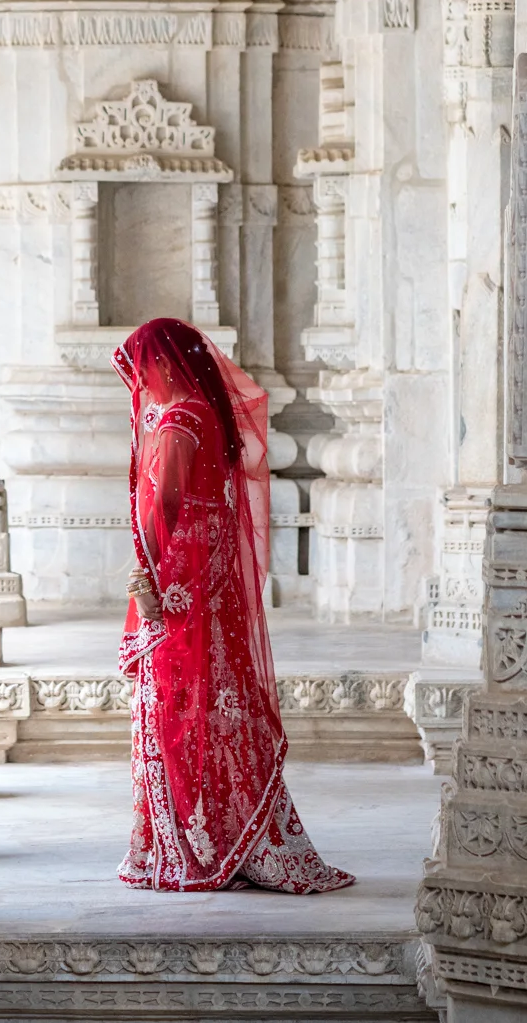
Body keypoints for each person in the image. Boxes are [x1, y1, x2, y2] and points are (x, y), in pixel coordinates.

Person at [112, 318, 355, 894]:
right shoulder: (208, 418)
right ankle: (232, 834)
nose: (143, 382)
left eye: (145, 368)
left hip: (177, 588)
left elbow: (163, 506)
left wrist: (142, 576)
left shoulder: (177, 424)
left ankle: (194, 847)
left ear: (165, 365)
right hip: (207, 584)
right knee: (216, 702)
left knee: (177, 708)